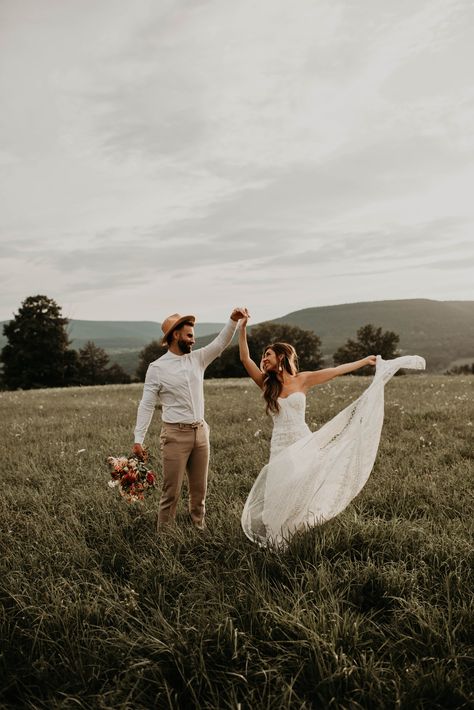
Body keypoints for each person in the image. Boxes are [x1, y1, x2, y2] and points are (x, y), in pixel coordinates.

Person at [238, 317, 425, 548]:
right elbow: (245, 358)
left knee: (304, 484)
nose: (263, 359)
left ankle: (297, 528)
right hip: (280, 444)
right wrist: (242, 328)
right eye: (263, 356)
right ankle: (278, 535)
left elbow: (335, 371)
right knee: (280, 488)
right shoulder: (267, 384)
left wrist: (363, 361)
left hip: (303, 439)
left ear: (281, 357)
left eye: (268, 355)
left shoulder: (302, 380)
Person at [133, 307, 249, 530]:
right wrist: (139, 438)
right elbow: (146, 405)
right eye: (189, 336)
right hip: (175, 436)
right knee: (171, 492)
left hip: (201, 433)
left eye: (193, 336)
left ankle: (199, 528)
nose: (193, 341)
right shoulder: (157, 368)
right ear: (175, 336)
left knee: (199, 490)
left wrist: (233, 320)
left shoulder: (198, 359)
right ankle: (164, 535)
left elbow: (220, 343)